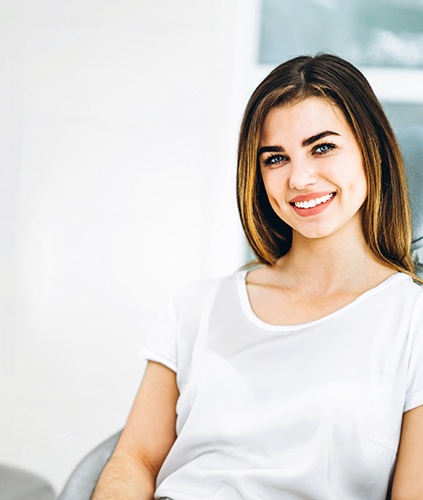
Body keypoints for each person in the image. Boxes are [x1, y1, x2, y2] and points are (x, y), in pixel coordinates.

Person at [92, 54, 423, 499]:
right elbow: (134, 459)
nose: (300, 177)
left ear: (371, 149)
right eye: (275, 158)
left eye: (322, 147)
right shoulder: (196, 308)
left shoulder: (411, 319)